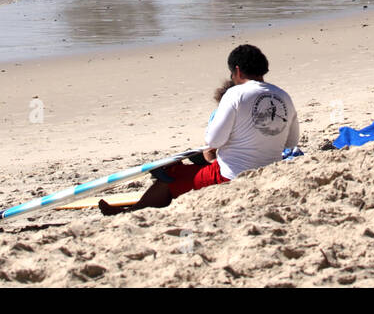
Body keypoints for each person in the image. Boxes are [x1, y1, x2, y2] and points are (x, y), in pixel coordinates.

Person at [98, 44, 298, 214]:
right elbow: (291, 142)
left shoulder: (235, 94)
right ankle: (135, 209)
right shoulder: (284, 96)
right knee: (196, 167)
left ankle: (132, 213)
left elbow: (213, 140)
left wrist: (214, 151)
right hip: (270, 174)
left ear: (237, 71)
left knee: (172, 175)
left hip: (232, 175)